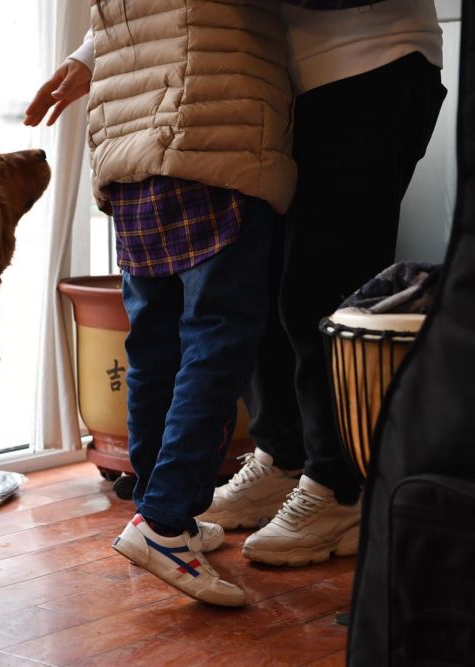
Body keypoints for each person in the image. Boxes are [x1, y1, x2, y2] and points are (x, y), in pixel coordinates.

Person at [25, 1, 295, 606]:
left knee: (155, 343)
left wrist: (81, 58)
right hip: (212, 131)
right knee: (217, 340)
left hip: (128, 145)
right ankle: (164, 524)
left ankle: (159, 506)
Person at [200, 0, 446, 567]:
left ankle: (340, 487)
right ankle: (283, 455)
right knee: (259, 284)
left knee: (319, 292)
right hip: (278, 83)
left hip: (371, 66)